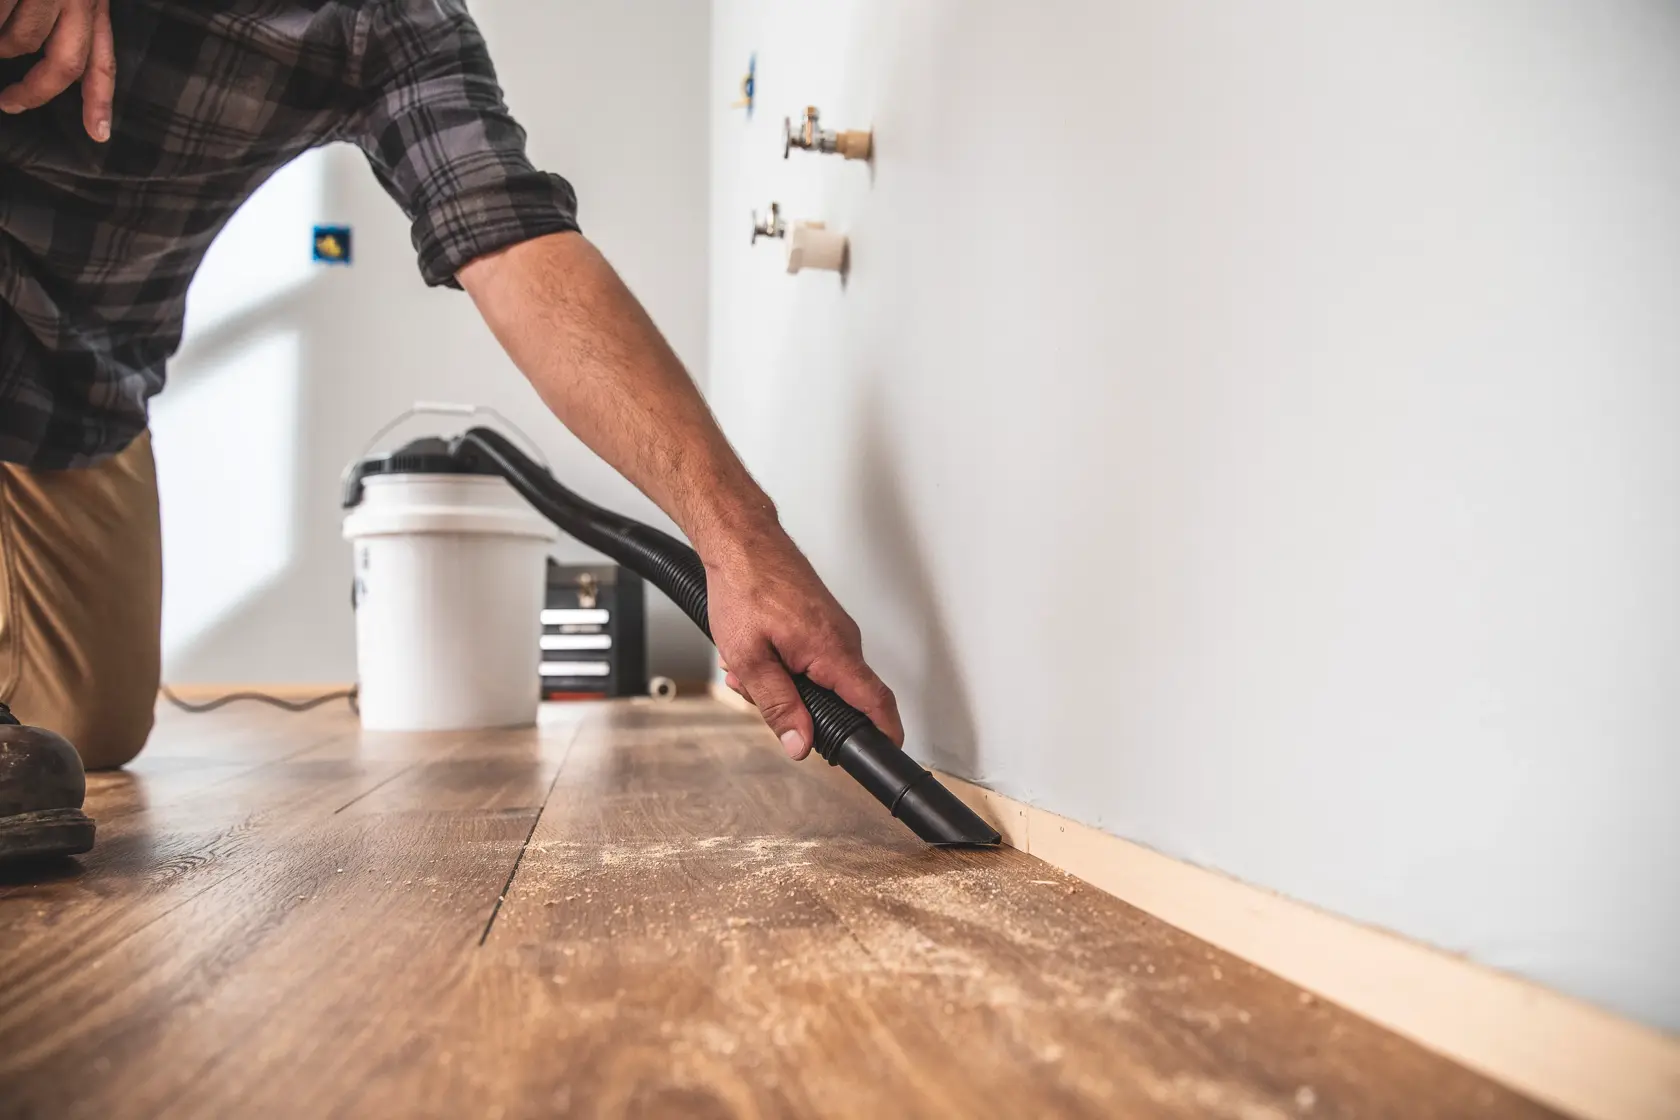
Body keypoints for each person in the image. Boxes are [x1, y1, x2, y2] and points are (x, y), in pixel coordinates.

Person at [0, 1, 902, 823]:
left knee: (91, 726)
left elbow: (509, 238)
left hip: (80, 384)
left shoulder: (389, 23)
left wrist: (739, 539)